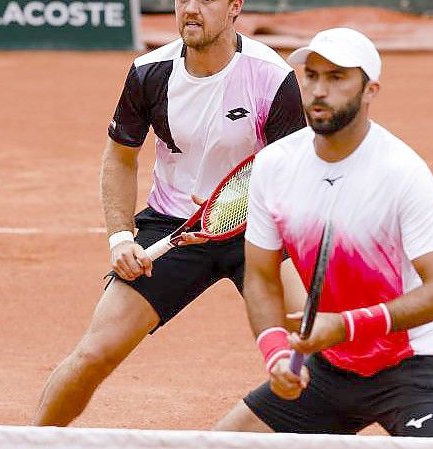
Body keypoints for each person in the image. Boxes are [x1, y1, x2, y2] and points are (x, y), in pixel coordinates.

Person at [32, 0, 306, 426]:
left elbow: (294, 174)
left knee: (311, 352)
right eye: (182, 0)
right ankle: (35, 439)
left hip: (257, 227)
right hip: (170, 223)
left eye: (205, 0)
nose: (190, 9)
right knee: (94, 353)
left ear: (235, 7)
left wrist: (241, 214)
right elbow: (120, 158)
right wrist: (121, 238)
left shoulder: (272, 77)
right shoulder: (149, 72)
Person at [214, 28, 433, 437]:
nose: (318, 89)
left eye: (336, 78)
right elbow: (261, 276)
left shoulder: (402, 172)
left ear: (370, 90)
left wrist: (345, 326)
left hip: (413, 365)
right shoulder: (274, 165)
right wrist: (277, 354)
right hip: (329, 368)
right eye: (311, 75)